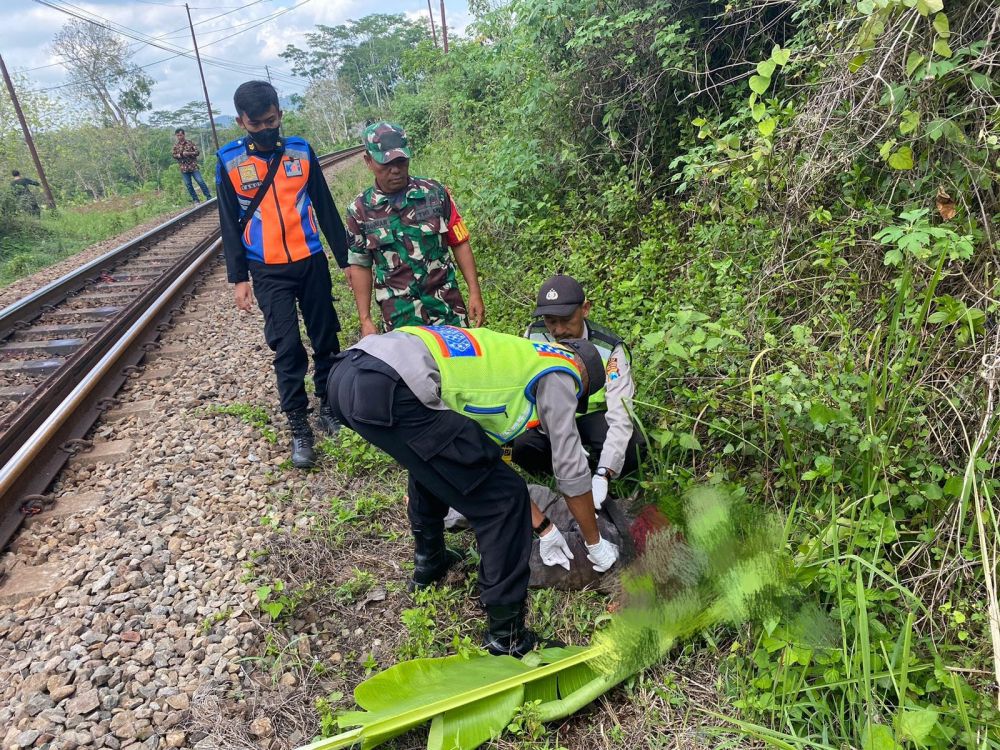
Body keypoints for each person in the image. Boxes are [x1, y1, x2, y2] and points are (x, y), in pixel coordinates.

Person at [326, 325, 620, 656]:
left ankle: (430, 563)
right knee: (504, 501)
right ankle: (506, 636)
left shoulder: (516, 356)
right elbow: (570, 470)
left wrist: (545, 527)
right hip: (389, 388)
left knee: (433, 461)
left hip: (348, 373)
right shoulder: (563, 373)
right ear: (584, 382)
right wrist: (594, 542)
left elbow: (473, 460)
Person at [216, 80, 350, 469]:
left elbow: (325, 208)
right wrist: (239, 277)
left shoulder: (302, 152)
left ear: (281, 113)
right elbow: (228, 222)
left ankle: (328, 406)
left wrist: (346, 261)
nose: (265, 129)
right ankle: (298, 426)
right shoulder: (229, 162)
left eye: (271, 120)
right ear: (242, 121)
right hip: (267, 269)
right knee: (287, 347)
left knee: (325, 338)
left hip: (310, 260)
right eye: (256, 124)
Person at [513, 274, 644, 510]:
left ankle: (598, 472)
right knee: (519, 444)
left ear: (585, 309)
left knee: (634, 446)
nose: (559, 330)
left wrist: (604, 472)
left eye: (566, 320)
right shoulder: (534, 335)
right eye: (551, 321)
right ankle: (559, 474)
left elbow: (620, 414)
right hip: (551, 421)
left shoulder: (609, 348)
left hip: (591, 419)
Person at [345, 122, 485, 336]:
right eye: (386, 163)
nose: (395, 170)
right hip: (400, 318)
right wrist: (365, 319)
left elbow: (460, 242)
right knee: (409, 369)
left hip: (446, 308)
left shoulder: (435, 193)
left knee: (459, 365)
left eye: (401, 161)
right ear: (368, 161)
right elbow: (360, 265)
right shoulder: (360, 211)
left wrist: (475, 292)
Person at [172, 129, 212, 203]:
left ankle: (209, 197)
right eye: (178, 135)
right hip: (183, 169)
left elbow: (197, 152)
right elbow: (174, 155)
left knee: (200, 181)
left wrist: (189, 153)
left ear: (184, 135)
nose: (179, 137)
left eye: (180, 135)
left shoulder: (190, 143)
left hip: (193, 167)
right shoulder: (176, 146)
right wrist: (181, 155)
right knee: (188, 185)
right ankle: (196, 200)